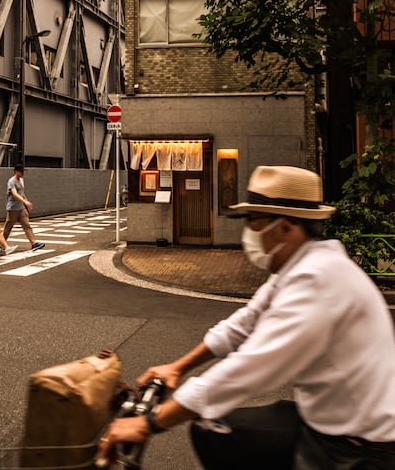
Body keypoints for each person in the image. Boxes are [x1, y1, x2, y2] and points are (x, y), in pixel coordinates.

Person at [96, 165, 395, 470]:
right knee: (213, 427)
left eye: (254, 222)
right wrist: (178, 367)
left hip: (357, 447)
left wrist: (149, 423)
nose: (249, 233)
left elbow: (250, 367)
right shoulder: (300, 267)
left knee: (219, 431)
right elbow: (245, 322)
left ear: (286, 227)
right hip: (324, 420)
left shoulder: (319, 279)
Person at [3, 164, 45, 251]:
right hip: (13, 208)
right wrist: (25, 201)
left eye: (23, 171)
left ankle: (34, 243)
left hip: (21, 208)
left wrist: (26, 201)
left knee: (27, 225)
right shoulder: (11, 181)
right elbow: (14, 194)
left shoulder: (21, 180)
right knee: (8, 227)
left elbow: (21, 193)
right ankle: (2, 242)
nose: (23, 173)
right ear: (16, 171)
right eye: (21, 171)